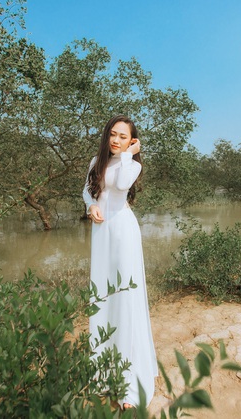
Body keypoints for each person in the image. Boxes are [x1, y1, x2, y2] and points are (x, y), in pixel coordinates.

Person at [83, 115, 158, 410]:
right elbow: (88, 190)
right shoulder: (96, 162)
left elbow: (123, 183)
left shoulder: (132, 165)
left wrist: (128, 155)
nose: (116, 140)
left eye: (123, 136)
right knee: (103, 296)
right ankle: (103, 373)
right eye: (113, 134)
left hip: (124, 233)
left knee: (125, 298)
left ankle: (129, 384)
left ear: (132, 140)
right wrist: (90, 206)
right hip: (102, 234)